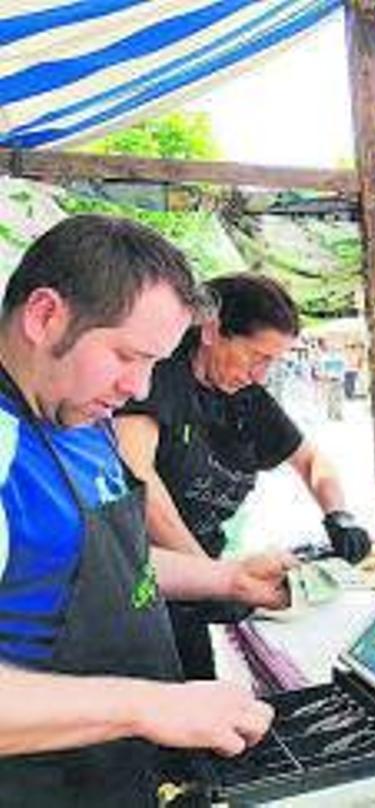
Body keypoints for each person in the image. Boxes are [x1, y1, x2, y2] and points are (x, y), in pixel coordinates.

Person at [0, 215, 291, 804]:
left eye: (155, 363)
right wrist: (151, 705)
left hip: (111, 773)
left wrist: (226, 577)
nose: (139, 388)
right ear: (44, 315)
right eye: (127, 355)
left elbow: (103, 565)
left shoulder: (83, 415)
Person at [114, 273, 373, 681]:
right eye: (257, 356)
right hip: (136, 589)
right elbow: (136, 476)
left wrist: (338, 514)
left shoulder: (247, 398)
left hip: (196, 588)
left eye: (273, 362)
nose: (261, 374)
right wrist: (216, 577)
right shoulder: (159, 378)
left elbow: (312, 462)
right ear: (214, 330)